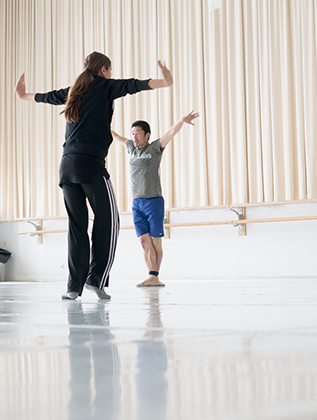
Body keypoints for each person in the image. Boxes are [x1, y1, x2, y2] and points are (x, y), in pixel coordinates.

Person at [15, 52, 173, 300]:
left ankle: (73, 288)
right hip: (90, 166)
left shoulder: (74, 90)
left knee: (77, 226)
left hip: (67, 167)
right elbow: (134, 85)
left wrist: (23, 95)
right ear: (103, 70)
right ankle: (95, 279)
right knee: (109, 221)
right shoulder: (104, 86)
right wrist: (165, 81)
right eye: (110, 71)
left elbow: (47, 97)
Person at [111, 111, 198, 287]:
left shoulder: (155, 148)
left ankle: (154, 276)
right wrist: (99, 120)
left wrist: (182, 121)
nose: (134, 137)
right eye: (133, 133)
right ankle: (152, 276)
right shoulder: (131, 148)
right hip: (137, 202)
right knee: (144, 240)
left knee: (155, 240)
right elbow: (116, 136)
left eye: (138, 133)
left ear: (147, 135)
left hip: (154, 201)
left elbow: (170, 134)